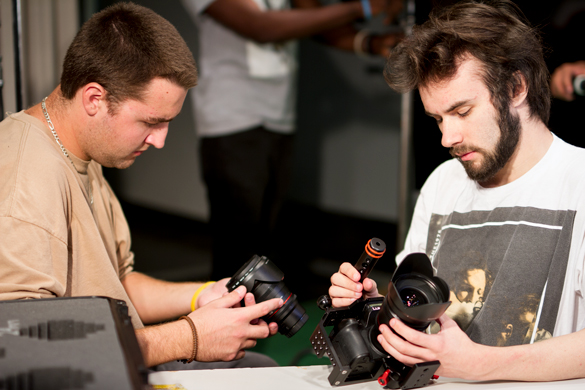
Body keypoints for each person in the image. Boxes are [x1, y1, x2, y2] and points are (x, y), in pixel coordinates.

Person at [0, 2, 283, 370]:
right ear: (94, 99)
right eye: (151, 121)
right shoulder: (27, 176)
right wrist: (189, 337)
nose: (160, 140)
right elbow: (19, 347)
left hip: (112, 356)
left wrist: (203, 295)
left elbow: (118, 286)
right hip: (78, 370)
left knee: (257, 369)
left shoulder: (81, 148)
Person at [329, 0, 585, 382]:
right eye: (437, 119)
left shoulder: (577, 181)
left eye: (462, 112)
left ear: (516, 87)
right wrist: (377, 304)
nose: (448, 137)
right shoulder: (443, 182)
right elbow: (422, 315)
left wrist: (483, 365)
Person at [180, 0, 404, 281]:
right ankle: (222, 321)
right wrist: (361, 8)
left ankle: (258, 319)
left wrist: (370, 42)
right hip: (232, 120)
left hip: (280, 117)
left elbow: (312, 19)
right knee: (237, 249)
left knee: (265, 244)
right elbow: (260, 26)